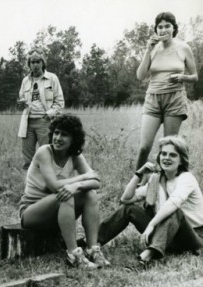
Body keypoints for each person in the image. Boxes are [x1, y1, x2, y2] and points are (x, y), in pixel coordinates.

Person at [19, 114, 110, 269]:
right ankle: (74, 255)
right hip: (32, 211)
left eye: (64, 135)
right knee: (65, 196)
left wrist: (77, 186)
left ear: (74, 139)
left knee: (90, 194)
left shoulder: (75, 156)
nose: (58, 138)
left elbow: (96, 181)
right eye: (56, 132)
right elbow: (54, 186)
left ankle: (93, 249)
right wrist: (82, 178)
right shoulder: (44, 152)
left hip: (56, 211)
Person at [98, 136, 203, 264]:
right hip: (166, 235)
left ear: (181, 160)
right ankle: (92, 242)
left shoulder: (186, 178)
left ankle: (147, 255)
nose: (166, 158)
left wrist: (151, 225)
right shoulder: (157, 179)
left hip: (191, 236)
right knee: (129, 209)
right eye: (163, 154)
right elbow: (126, 199)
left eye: (173, 155)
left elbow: (174, 203)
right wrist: (138, 174)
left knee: (174, 210)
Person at [135, 12, 198, 171]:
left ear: (174, 28)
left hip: (174, 99)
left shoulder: (183, 47)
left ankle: (166, 182)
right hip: (153, 99)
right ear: (156, 30)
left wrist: (182, 77)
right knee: (144, 147)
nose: (163, 30)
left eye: (167, 26)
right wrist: (148, 51)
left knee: (168, 147)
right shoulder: (153, 48)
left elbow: (195, 76)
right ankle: (136, 181)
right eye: (160, 26)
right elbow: (140, 76)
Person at [16, 48, 64, 170]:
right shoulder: (25, 81)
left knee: (47, 156)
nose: (35, 65)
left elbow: (60, 102)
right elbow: (21, 100)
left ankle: (49, 185)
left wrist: (48, 115)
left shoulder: (52, 78)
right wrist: (20, 104)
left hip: (45, 122)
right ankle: (30, 186)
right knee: (28, 159)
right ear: (29, 64)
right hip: (27, 123)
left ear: (43, 63)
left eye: (38, 62)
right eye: (33, 62)